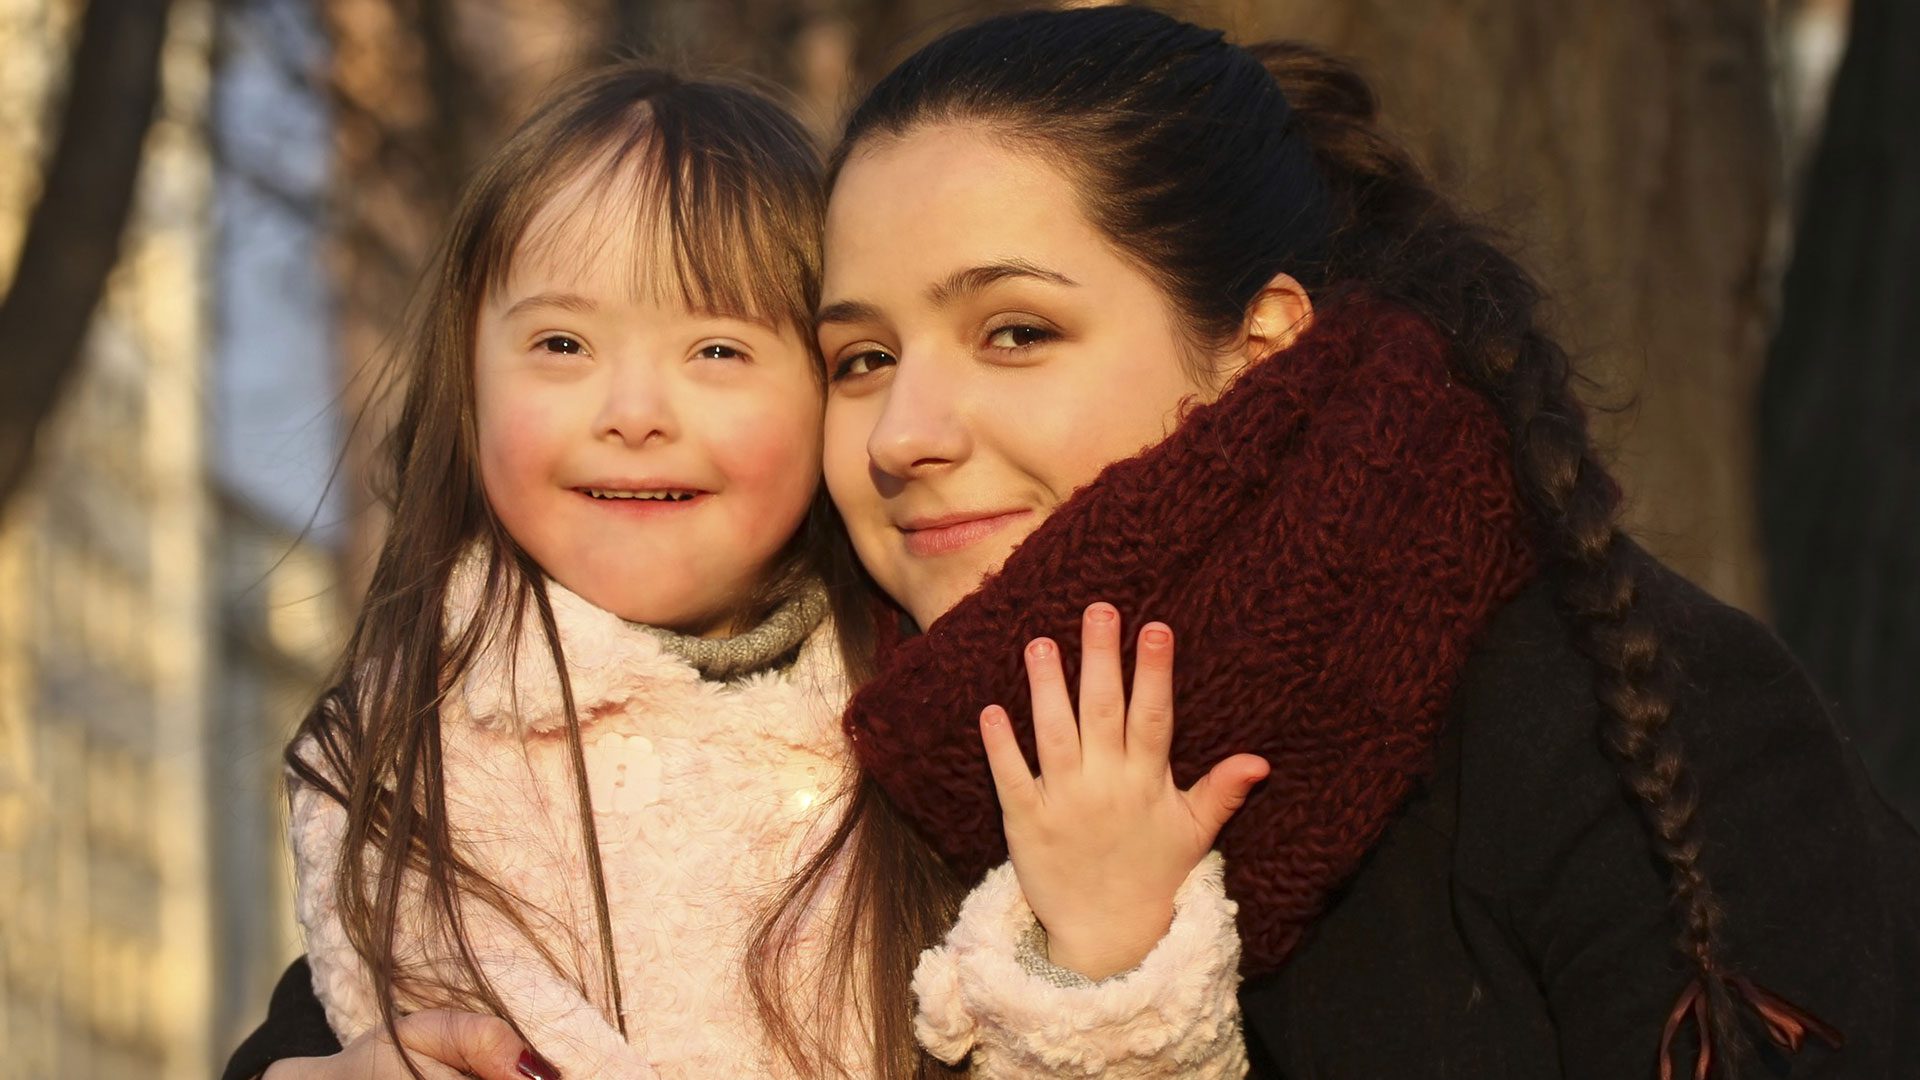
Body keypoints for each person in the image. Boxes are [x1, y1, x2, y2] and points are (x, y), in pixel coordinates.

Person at [231, 6, 1920, 1078]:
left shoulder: (1591, 715)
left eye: (1017, 333)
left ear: (1254, 348)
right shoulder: (805, 744)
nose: (908, 433)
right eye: (862, 357)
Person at [229, 60, 1258, 1080]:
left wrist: (1102, 960)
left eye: (717, 350)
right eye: (559, 342)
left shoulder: (944, 708)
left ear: (830, 398)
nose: (633, 413)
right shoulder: (422, 745)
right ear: (469, 385)